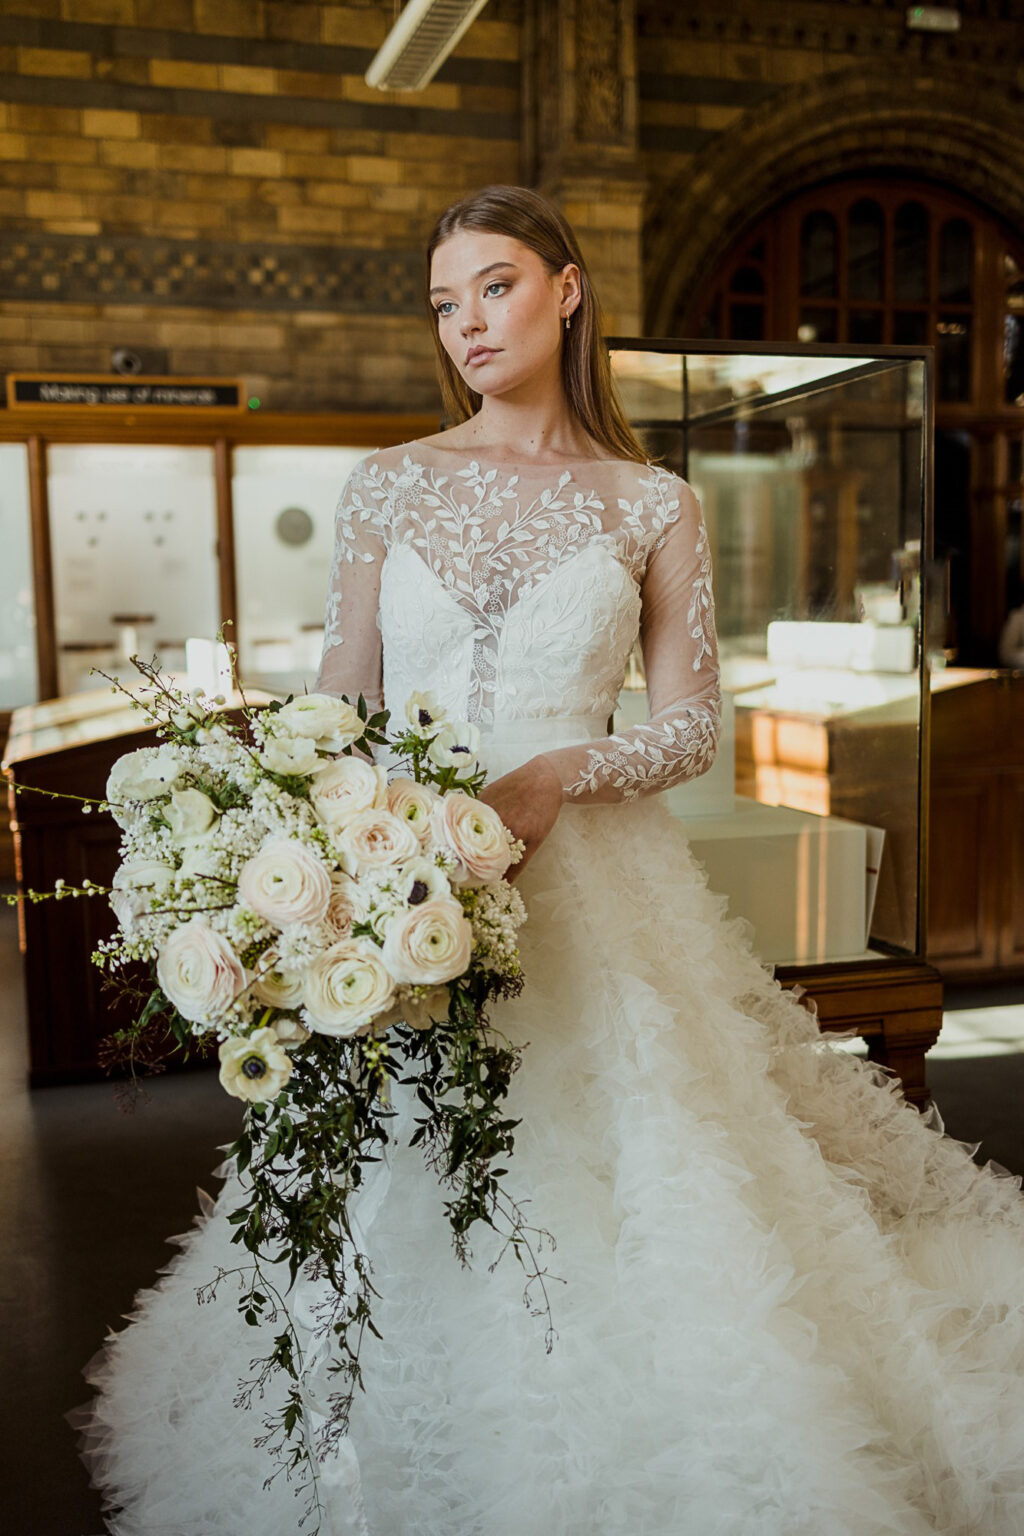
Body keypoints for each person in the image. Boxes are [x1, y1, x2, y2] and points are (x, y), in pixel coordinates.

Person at [75, 185, 1024, 1535]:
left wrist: (554, 773)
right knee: (402, 1166)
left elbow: (693, 726)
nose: (468, 322)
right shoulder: (389, 484)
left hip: (593, 885)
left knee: (639, 1171)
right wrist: (314, 846)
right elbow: (337, 699)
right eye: (445, 302)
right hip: (399, 874)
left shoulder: (652, 502)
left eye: (497, 286)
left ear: (568, 289)